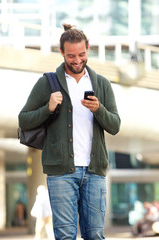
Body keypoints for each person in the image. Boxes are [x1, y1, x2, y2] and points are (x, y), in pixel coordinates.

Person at [18, 23, 121, 240]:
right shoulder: (48, 83)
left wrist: (98, 109)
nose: (77, 60)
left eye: (82, 54)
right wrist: (48, 108)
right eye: (71, 55)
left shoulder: (101, 83)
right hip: (61, 172)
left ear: (88, 49)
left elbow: (115, 125)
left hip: (94, 172)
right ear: (62, 52)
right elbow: (24, 120)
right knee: (65, 235)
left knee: (94, 235)